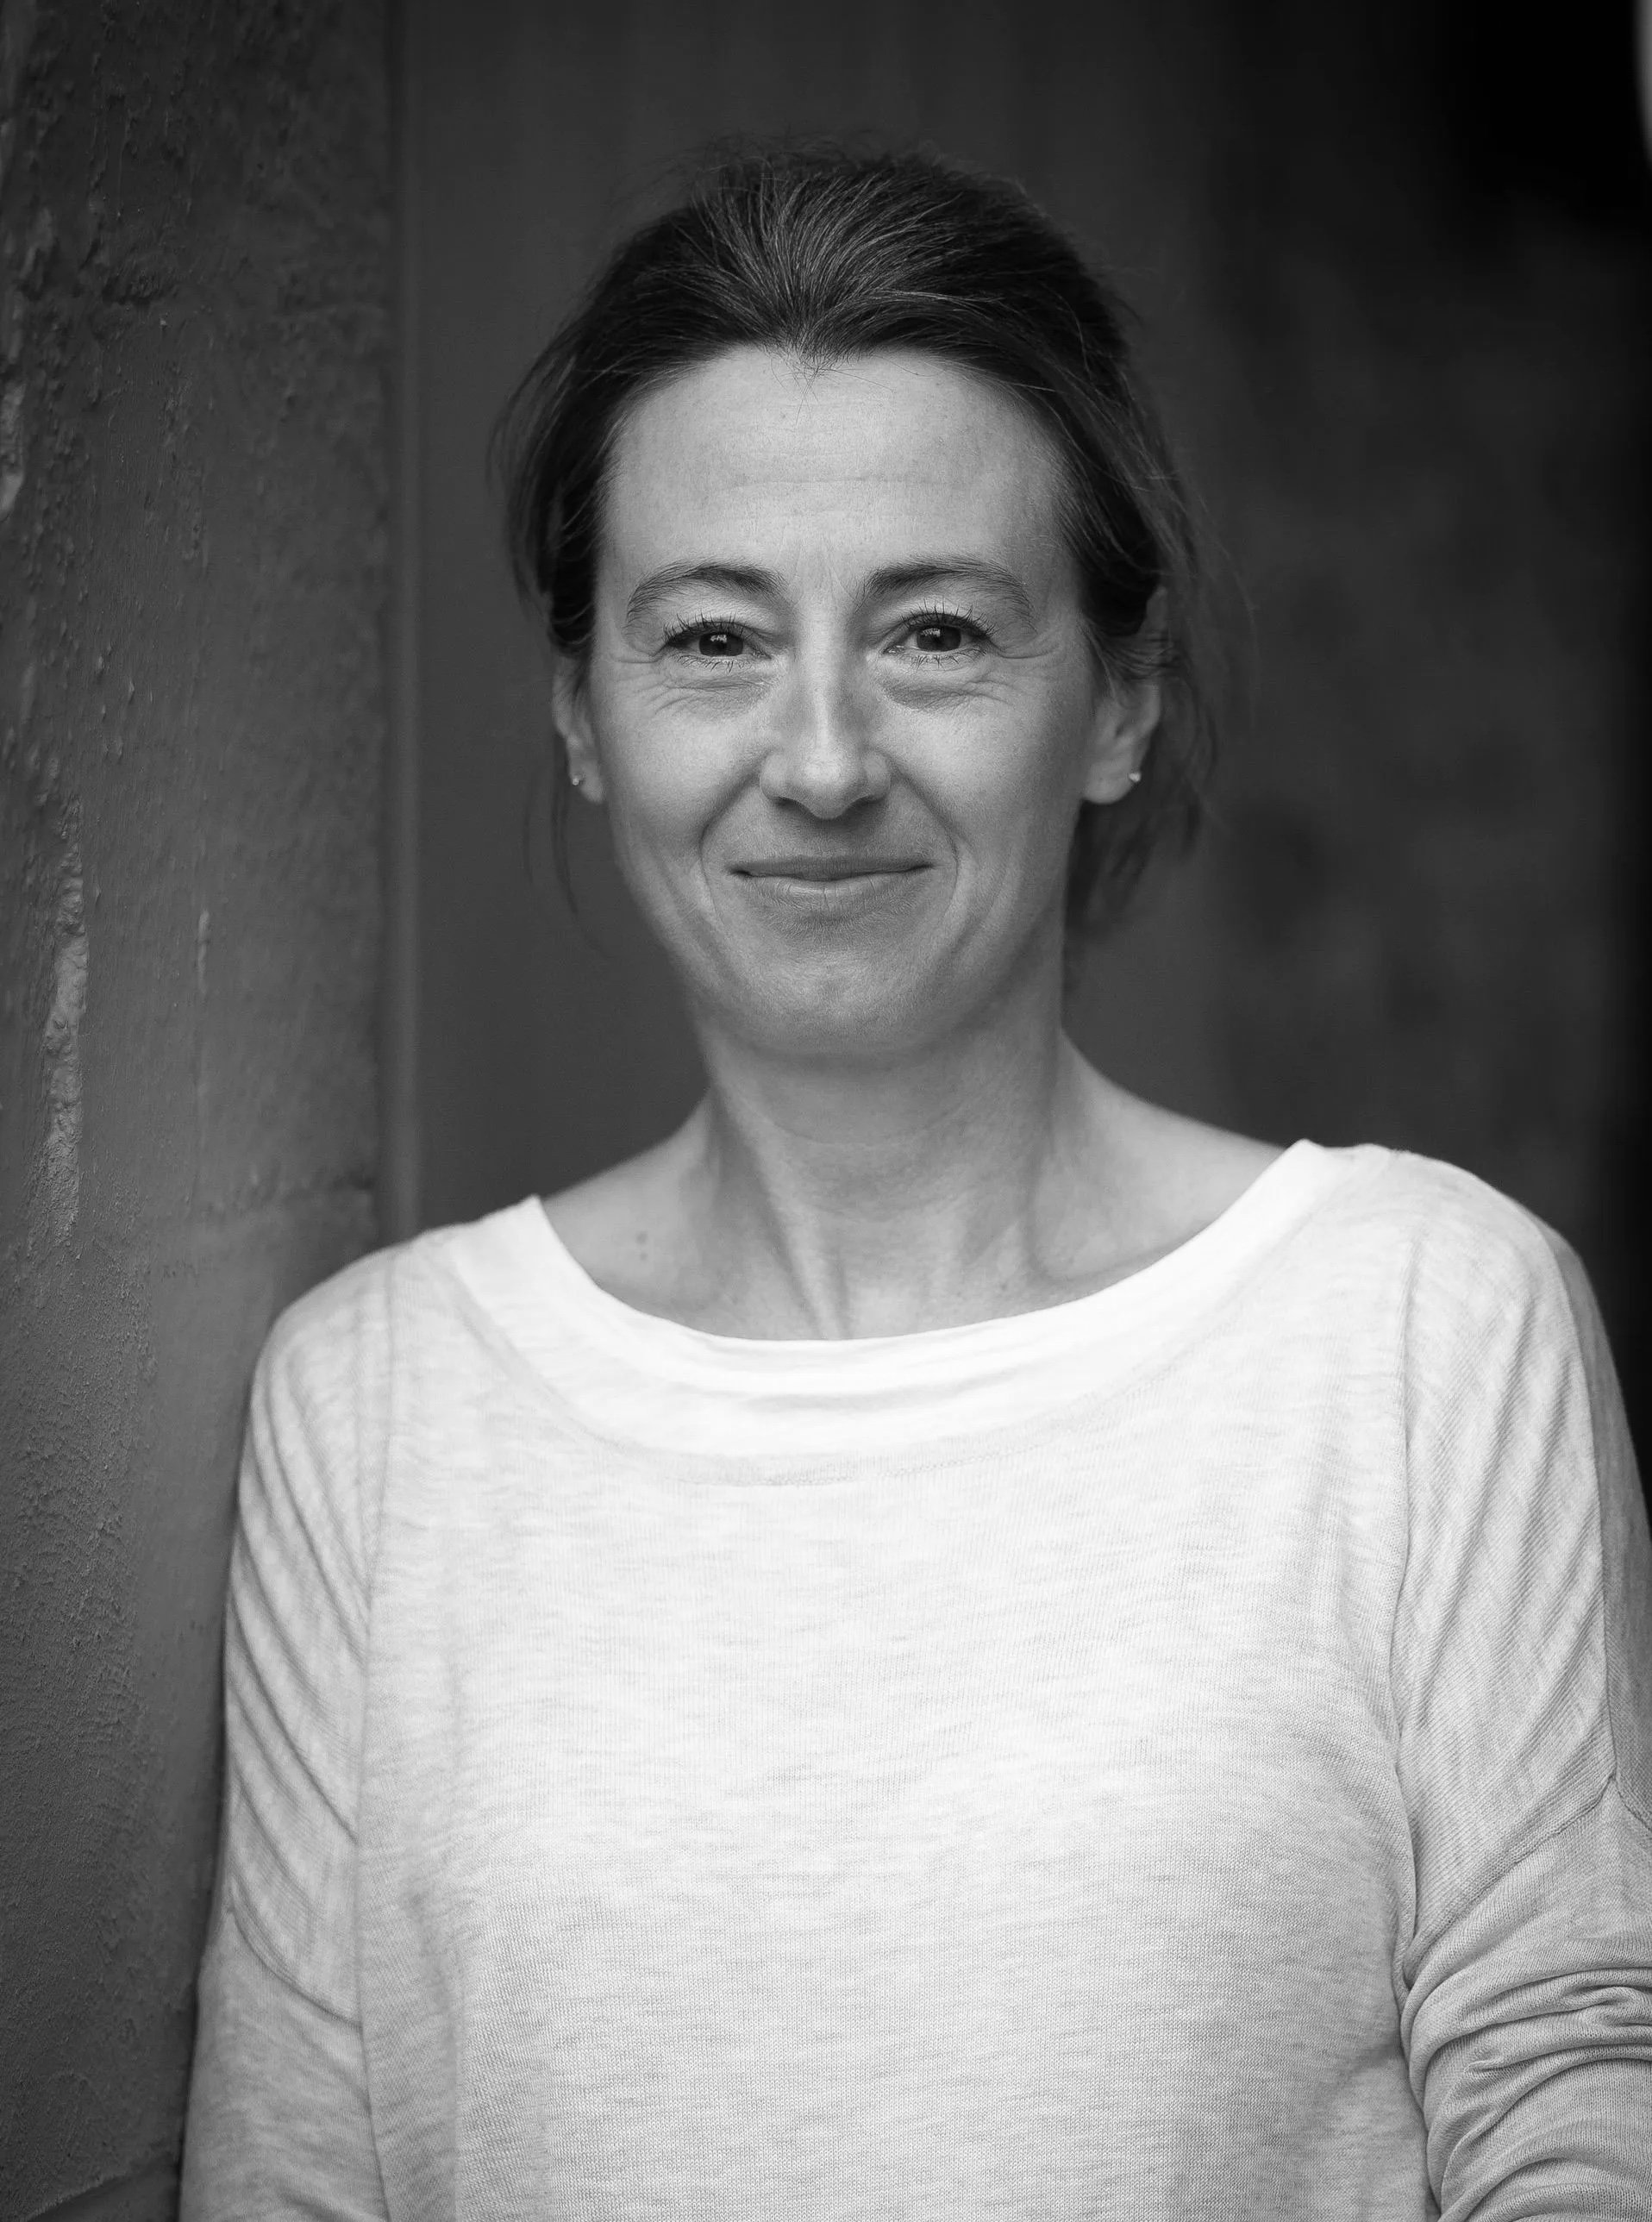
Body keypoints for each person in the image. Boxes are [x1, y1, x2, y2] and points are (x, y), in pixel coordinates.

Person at [178, 145, 1652, 2219]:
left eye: (937, 630)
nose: (822, 754)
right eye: (708, 637)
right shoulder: (381, 1402)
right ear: (581, 711)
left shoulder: (1419, 1324)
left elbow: (1575, 2102)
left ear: (1117, 700)